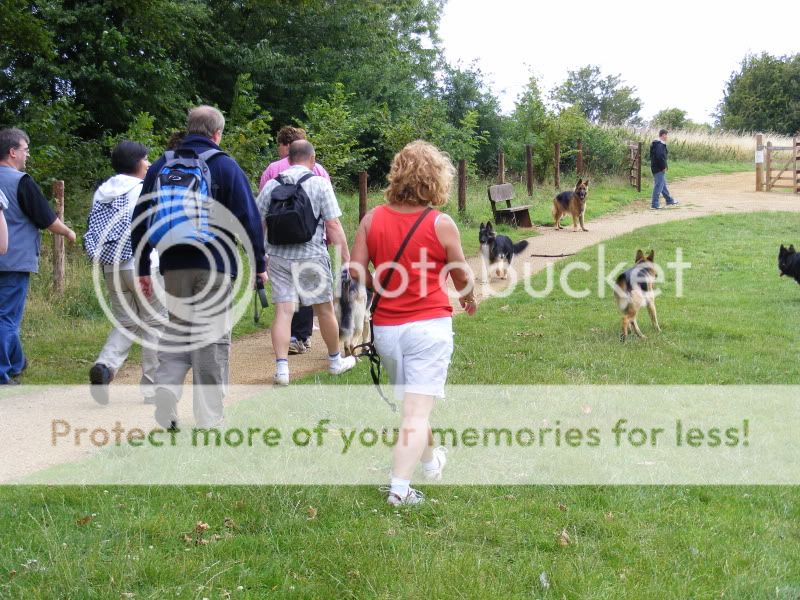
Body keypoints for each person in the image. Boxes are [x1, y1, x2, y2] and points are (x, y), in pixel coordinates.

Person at [349, 140, 477, 506]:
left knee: (413, 405)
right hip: (429, 328)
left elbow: (356, 272)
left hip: (387, 330)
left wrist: (383, 284)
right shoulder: (441, 224)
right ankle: (399, 490)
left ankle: (432, 461)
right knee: (416, 411)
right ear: (436, 179)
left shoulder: (372, 219)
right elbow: (461, 274)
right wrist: (469, 295)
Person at [131, 106, 267, 429]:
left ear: (189, 128)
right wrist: (259, 264)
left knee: (177, 333)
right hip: (215, 266)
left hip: (172, 265)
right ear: (217, 133)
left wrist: (142, 267)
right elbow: (249, 219)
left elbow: (141, 219)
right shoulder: (224, 166)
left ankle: (165, 395)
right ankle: (209, 418)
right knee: (211, 340)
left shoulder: (162, 165)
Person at [256, 140, 356, 386]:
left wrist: (261, 257)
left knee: (284, 311)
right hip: (311, 256)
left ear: (289, 158)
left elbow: (259, 223)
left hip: (278, 257)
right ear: (312, 159)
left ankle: (282, 370)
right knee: (324, 310)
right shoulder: (319, 183)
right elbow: (332, 225)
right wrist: (346, 257)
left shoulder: (271, 184)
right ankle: (335, 361)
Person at [84, 141, 166, 405]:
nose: (149, 163)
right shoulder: (142, 189)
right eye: (146, 159)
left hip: (111, 266)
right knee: (154, 322)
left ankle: (105, 365)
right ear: (136, 163)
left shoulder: (102, 192)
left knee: (127, 322)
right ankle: (153, 386)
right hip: (143, 264)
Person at [0, 128, 76, 385]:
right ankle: (2, 373)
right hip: (12, 259)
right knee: (7, 317)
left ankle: (17, 362)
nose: (27, 154)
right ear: (12, 152)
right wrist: (68, 232)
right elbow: (46, 218)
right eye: (25, 149)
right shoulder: (20, 181)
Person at [259, 126, 331, 356]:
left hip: (279, 246)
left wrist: (262, 252)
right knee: (314, 298)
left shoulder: (272, 171)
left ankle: (282, 363)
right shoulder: (318, 171)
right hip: (312, 244)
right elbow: (328, 214)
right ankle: (304, 336)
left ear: (286, 150)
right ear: (311, 156)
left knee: (283, 307)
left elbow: (262, 211)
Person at [650, 129, 679, 209]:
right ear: (663, 135)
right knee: (658, 185)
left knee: (663, 185)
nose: (667, 137)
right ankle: (654, 204)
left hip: (656, 167)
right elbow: (660, 157)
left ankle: (669, 200)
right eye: (666, 135)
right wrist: (663, 167)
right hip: (658, 168)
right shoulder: (659, 145)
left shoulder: (657, 144)